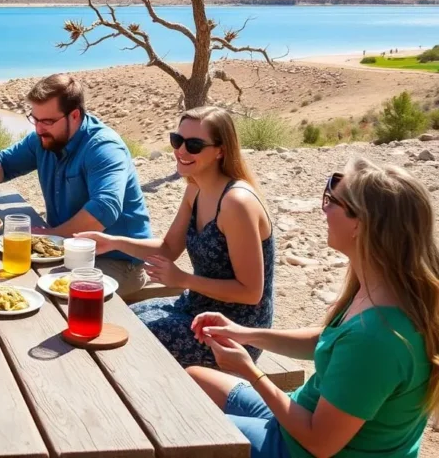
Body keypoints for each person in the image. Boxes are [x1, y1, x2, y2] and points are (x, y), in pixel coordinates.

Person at [188, 158, 439, 458]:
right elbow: (329, 341)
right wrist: (245, 334)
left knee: (187, 426)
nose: (324, 209)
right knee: (194, 379)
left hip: (299, 447)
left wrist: (249, 370)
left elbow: (320, 443)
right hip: (297, 416)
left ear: (360, 224)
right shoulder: (384, 290)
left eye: (332, 201)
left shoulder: (377, 338)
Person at [78, 106, 274, 367]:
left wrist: (182, 279)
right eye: (177, 140)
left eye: (193, 145)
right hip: (198, 307)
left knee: (129, 340)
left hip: (234, 329)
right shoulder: (195, 189)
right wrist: (113, 242)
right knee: (120, 321)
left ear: (220, 150)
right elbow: (169, 248)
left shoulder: (236, 203)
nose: (181, 151)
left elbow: (251, 292)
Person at [0, 73, 152, 295]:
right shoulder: (44, 138)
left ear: (74, 116)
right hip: (62, 249)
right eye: (34, 119)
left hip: (117, 262)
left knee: (29, 290)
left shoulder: (104, 147)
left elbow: (104, 209)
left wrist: (51, 235)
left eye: (47, 121)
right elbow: (3, 161)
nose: (38, 129)